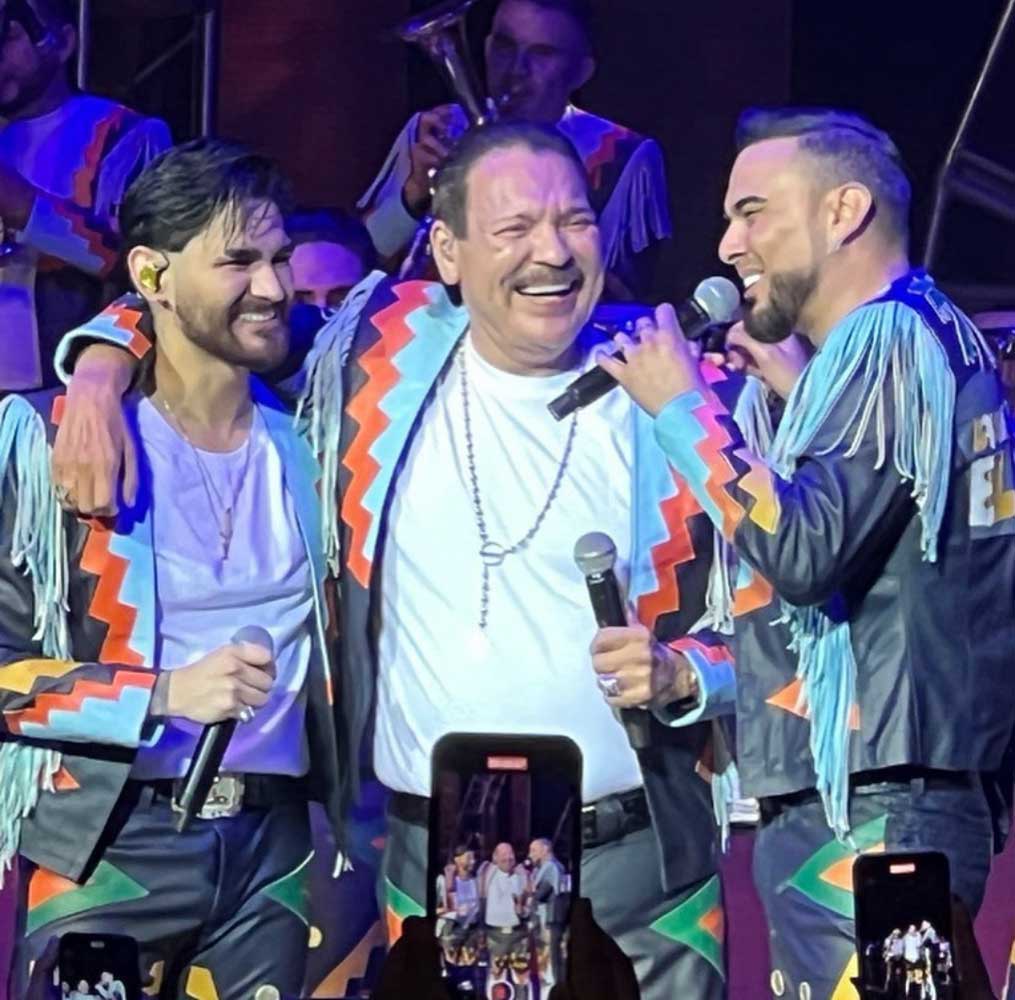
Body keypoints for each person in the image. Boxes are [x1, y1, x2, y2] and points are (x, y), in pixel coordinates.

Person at [51, 121, 742, 999]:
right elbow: (210, 306)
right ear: (446, 251)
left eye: (574, 221)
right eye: (515, 227)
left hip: (639, 863)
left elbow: (777, 622)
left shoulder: (677, 389)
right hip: (432, 858)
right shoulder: (377, 352)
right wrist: (99, 367)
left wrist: (685, 675)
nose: (552, 252)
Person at [599, 106, 1015, 1000]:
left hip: (874, 811)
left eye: (753, 212)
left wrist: (683, 409)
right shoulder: (918, 338)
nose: (727, 244)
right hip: (881, 799)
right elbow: (878, 578)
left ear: (843, 211)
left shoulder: (889, 338)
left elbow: (802, 550)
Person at [1, 138, 345, 1000]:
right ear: (152, 275)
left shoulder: (320, 436)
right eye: (237, 261)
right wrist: (159, 694)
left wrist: (100, 356)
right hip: (115, 841)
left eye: (278, 258)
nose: (272, 287)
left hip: (276, 847)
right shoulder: (50, 445)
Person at [359, 0, 671, 298]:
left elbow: (628, 299)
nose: (516, 70)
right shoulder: (436, 128)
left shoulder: (622, 154)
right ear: (486, 47)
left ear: (580, 72)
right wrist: (412, 196)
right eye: (505, 46)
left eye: (542, 53)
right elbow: (362, 259)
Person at [0, 0, 170, 391]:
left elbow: (143, 265)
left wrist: (23, 207)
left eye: (10, 35)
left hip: (67, 388)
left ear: (63, 43)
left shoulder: (124, 132)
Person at [528, 837, 566, 987]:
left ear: (545, 850)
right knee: (552, 956)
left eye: (534, 850)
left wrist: (530, 892)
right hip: (550, 918)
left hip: (551, 918)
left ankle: (558, 987)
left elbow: (541, 894)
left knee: (554, 957)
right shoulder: (549, 867)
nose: (530, 855)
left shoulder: (550, 867)